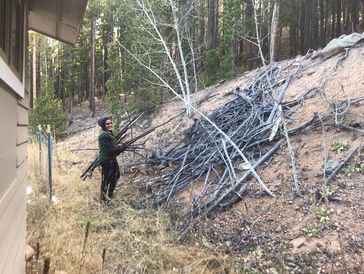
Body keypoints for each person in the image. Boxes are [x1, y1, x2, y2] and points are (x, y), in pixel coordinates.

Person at [97, 116, 126, 202]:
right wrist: (120, 149)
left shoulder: (108, 132)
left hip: (111, 158)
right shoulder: (103, 135)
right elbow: (109, 150)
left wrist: (119, 148)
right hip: (106, 160)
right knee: (107, 178)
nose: (110, 125)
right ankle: (103, 198)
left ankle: (109, 194)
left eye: (110, 123)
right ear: (103, 125)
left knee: (116, 175)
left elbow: (112, 146)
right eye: (107, 124)